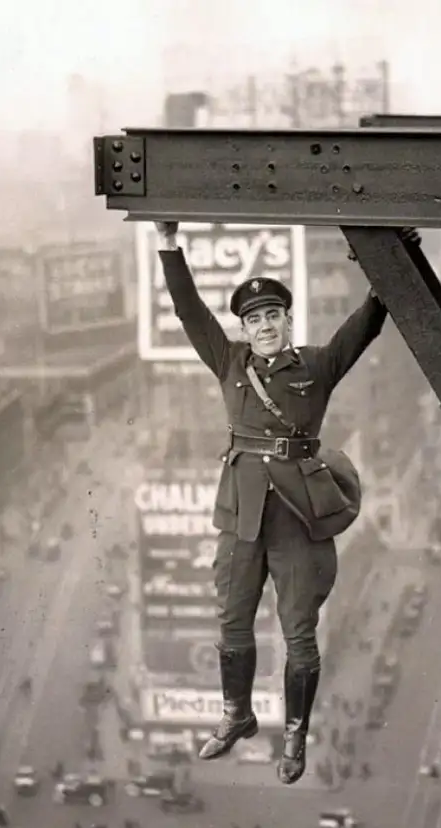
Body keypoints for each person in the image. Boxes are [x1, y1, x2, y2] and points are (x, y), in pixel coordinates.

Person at [153, 220, 393, 784]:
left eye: (272, 316)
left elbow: (366, 325)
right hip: (241, 516)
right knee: (232, 621)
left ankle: (294, 737)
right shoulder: (229, 362)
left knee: (298, 632)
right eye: (253, 319)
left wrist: (389, 264)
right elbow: (189, 312)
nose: (263, 326)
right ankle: (237, 716)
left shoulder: (316, 365)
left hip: (298, 519)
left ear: (289, 321)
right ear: (244, 328)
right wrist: (169, 244)